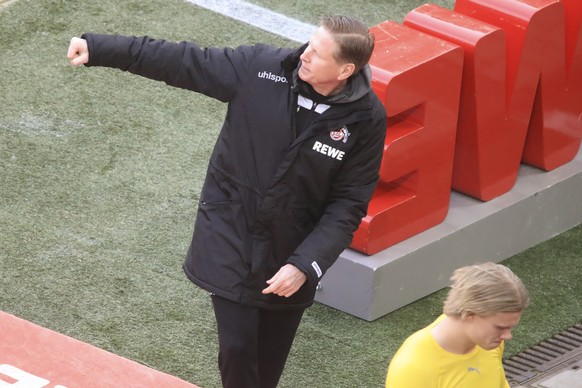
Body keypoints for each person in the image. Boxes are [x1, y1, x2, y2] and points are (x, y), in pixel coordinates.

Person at [68, 15, 387, 388]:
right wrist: (101, 48)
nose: (304, 55)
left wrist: (305, 264)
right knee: (237, 347)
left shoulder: (366, 118)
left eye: (317, 54)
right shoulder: (260, 68)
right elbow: (184, 61)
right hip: (229, 229)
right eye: (309, 44)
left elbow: (348, 204)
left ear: (346, 69)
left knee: (267, 364)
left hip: (291, 248)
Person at [385, 262, 529, 388]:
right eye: (500, 327)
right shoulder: (413, 368)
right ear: (470, 314)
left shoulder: (488, 341)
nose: (507, 336)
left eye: (510, 328)